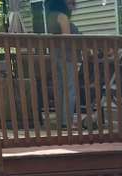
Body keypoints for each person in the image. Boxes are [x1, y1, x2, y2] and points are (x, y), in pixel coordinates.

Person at [45, 0, 79, 128]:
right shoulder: (62, 16)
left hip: (54, 54)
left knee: (59, 87)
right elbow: (67, 38)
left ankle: (61, 121)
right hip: (66, 54)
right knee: (70, 88)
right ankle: (67, 122)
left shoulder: (50, 16)